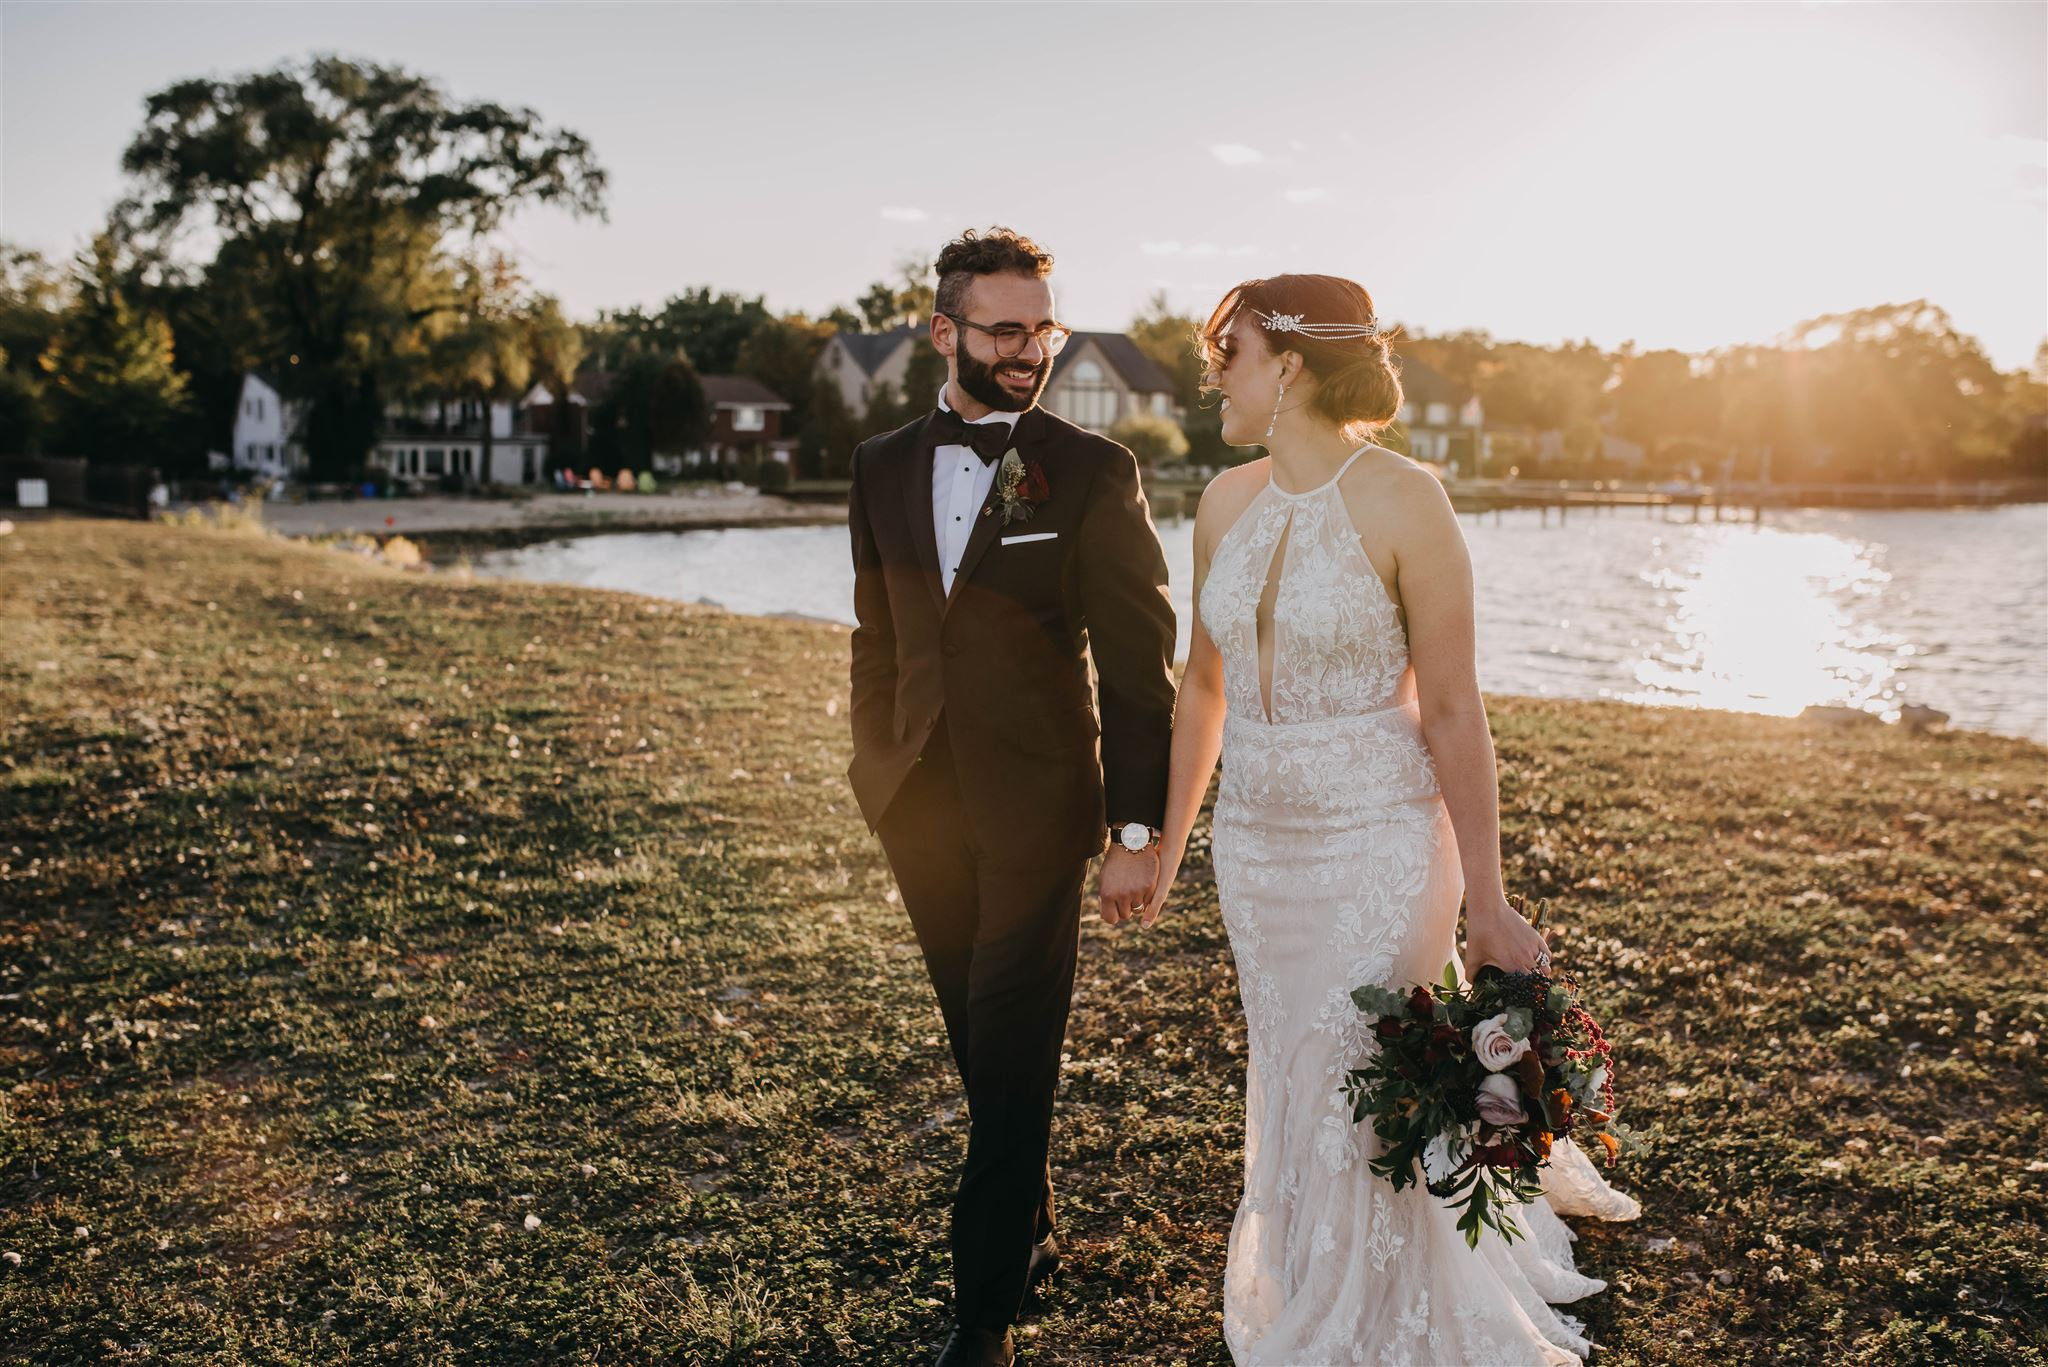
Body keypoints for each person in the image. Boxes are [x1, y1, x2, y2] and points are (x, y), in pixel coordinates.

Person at [1140, 274, 1640, 1364]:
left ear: (1291, 364)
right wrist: (1169, 843)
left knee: (1359, 1080)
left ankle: (1400, 1307)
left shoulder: (1408, 498)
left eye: (1228, 350)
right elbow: (1200, 691)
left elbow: (1454, 709)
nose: (1209, 369)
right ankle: (1313, 1274)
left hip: (1380, 840)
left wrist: (1489, 902)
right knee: (1291, 1066)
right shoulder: (1222, 502)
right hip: (1257, 849)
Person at [843, 226, 1178, 1367]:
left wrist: (1136, 829)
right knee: (976, 1036)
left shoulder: (1091, 471)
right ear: (944, 332)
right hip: (917, 802)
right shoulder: (879, 463)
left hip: (1041, 809)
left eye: (1041, 326)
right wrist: (870, 764)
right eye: (1002, 328)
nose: (1028, 348)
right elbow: (874, 630)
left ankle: (983, 1307)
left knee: (1014, 1040)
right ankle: (1022, 1210)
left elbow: (1140, 669)